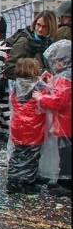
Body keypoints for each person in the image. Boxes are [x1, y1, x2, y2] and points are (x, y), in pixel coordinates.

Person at [33, 39, 71, 197]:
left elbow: (59, 101)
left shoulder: (64, 78)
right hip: (67, 123)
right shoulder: (66, 76)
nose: (54, 65)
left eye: (56, 61)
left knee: (66, 155)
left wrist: (40, 98)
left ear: (63, 61)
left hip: (66, 124)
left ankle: (66, 184)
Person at [5, 58, 47, 195]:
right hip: (34, 127)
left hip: (18, 126)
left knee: (17, 153)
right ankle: (29, 183)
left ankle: (13, 180)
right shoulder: (39, 86)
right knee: (32, 156)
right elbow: (46, 100)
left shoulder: (16, 84)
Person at [4, 10, 56, 81]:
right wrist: (35, 75)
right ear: (35, 23)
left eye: (45, 27)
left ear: (51, 27)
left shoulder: (48, 41)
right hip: (27, 86)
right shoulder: (24, 41)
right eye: (38, 25)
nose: (40, 29)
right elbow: (9, 69)